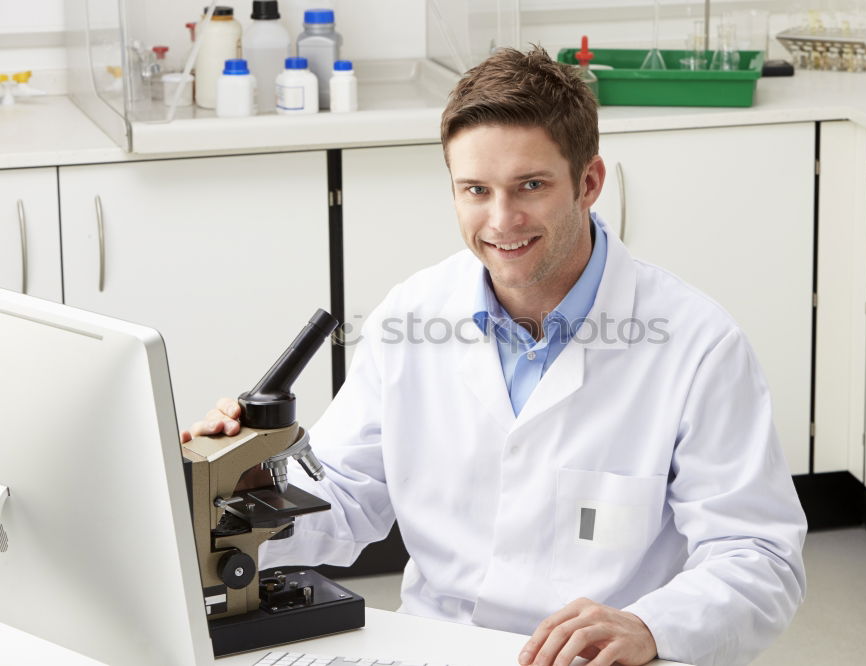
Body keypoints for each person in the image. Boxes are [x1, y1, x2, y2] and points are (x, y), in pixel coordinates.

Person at [183, 46, 807, 666]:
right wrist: (236, 493)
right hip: (436, 646)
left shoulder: (697, 344)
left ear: (589, 183)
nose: (501, 220)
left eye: (530, 186)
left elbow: (759, 554)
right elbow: (344, 495)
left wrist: (649, 625)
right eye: (475, 190)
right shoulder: (413, 315)